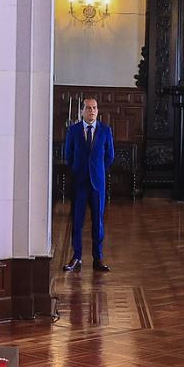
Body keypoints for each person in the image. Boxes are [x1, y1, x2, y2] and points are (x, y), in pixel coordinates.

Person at [61, 97, 115, 272]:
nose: (91, 111)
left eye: (94, 108)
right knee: (77, 221)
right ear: (82, 111)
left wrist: (97, 170)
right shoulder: (73, 131)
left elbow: (110, 156)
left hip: (97, 184)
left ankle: (97, 258)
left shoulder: (106, 131)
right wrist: (81, 170)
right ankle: (77, 257)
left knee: (98, 221)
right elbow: (68, 156)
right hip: (79, 182)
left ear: (97, 111)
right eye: (88, 108)